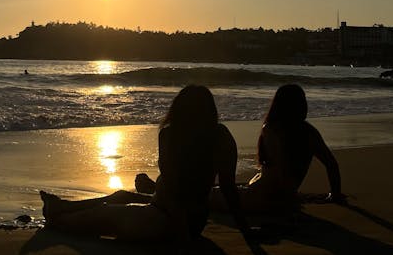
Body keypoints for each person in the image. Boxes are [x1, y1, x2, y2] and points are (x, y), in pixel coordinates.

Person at [40, 85, 250, 251]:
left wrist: (182, 239)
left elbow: (175, 191)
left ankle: (58, 216)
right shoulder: (221, 136)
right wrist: (246, 230)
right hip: (195, 222)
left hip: (160, 221)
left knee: (97, 217)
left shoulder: (170, 135)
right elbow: (228, 188)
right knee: (121, 195)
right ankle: (61, 205)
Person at [137, 83, 345, 214]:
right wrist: (333, 195)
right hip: (272, 194)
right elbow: (331, 164)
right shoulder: (309, 132)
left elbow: (279, 173)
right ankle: (153, 189)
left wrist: (289, 200)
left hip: (263, 198)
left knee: (205, 194)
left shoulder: (272, 130)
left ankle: (152, 190)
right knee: (227, 188)